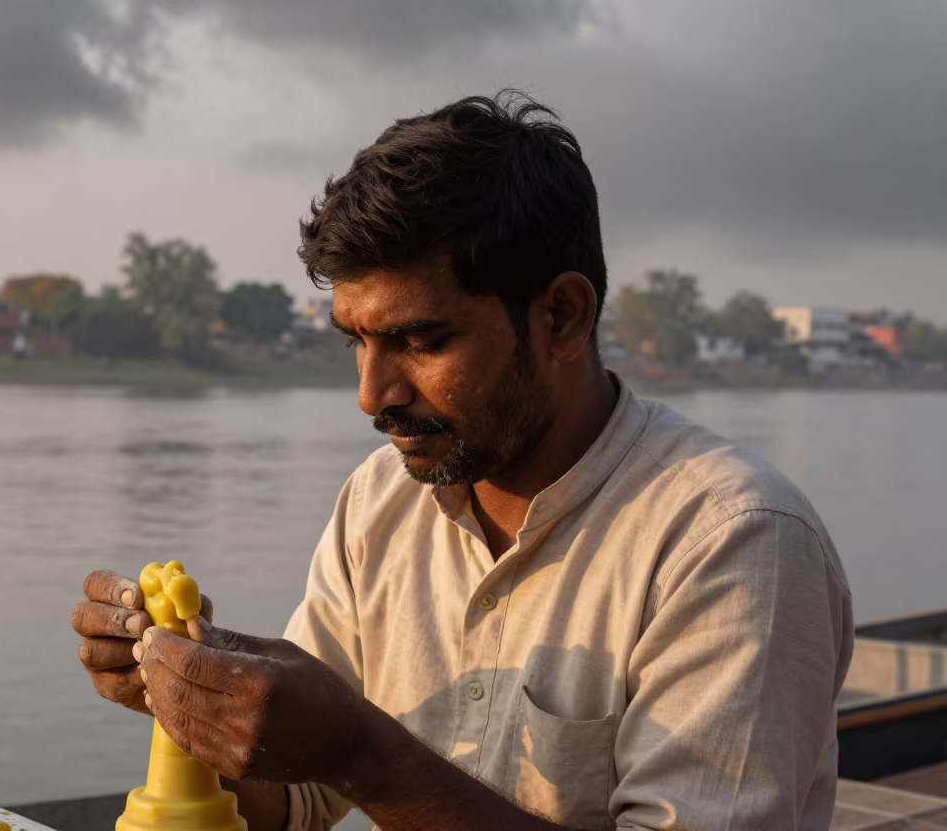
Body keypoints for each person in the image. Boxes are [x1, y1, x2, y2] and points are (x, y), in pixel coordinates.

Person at [71, 91, 853, 830]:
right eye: (358, 341)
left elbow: (345, 756)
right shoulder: (383, 499)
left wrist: (360, 751)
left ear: (560, 316)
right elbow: (294, 798)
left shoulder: (733, 542)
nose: (373, 395)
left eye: (420, 341)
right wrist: (197, 708)